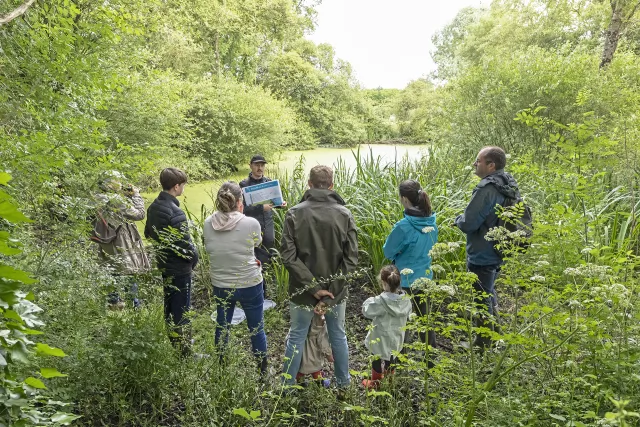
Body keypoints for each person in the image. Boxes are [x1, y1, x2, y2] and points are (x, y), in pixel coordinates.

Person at [281, 165, 358, 390]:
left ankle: (286, 388)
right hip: (336, 293)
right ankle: (343, 385)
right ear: (332, 185)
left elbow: (288, 256)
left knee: (297, 336)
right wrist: (329, 293)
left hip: (302, 292)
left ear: (309, 184)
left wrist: (314, 289)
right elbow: (351, 259)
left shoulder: (294, 213)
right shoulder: (344, 214)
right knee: (338, 336)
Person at [454, 146, 520, 349]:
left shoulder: (487, 189)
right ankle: (496, 335)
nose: (475, 164)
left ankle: (483, 344)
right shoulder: (507, 183)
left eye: (478, 161)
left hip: (483, 252)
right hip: (499, 249)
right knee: (489, 292)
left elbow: (469, 223)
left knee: (482, 297)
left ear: (491, 165)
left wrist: (458, 220)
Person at [204, 181, 268, 374]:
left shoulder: (208, 223)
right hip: (250, 283)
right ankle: (262, 371)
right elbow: (256, 243)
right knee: (256, 328)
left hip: (221, 284)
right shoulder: (251, 223)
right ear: (240, 201)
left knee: (222, 325)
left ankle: (221, 367)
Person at [144, 168, 199, 353]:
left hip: (164, 265)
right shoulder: (176, 213)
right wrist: (194, 259)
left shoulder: (153, 207)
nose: (183, 188)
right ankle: (185, 352)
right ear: (176, 187)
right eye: (183, 185)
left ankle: (175, 344)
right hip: (180, 270)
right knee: (182, 310)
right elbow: (186, 247)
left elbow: (148, 233)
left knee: (169, 306)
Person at [383, 180, 438, 350]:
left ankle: (400, 357)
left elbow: (388, 251)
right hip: (425, 277)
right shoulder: (432, 222)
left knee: (402, 321)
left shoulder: (403, 226)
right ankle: (430, 357)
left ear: (405, 199)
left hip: (405, 281)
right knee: (425, 319)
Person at [91, 170, 150, 309]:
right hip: (120, 240)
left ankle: (113, 303)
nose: (120, 184)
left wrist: (124, 197)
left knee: (111, 268)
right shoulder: (117, 201)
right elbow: (139, 214)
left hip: (106, 240)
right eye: (117, 181)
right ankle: (134, 304)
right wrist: (136, 195)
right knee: (128, 270)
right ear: (110, 184)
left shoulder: (97, 197)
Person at [239, 155, 287, 296]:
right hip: (252, 226)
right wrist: (261, 208)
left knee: (268, 255)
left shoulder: (269, 182)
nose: (260, 168)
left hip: (268, 224)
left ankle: (266, 287)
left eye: (262, 165)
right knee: (254, 256)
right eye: (257, 165)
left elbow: (273, 203)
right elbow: (242, 208)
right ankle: (255, 287)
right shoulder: (243, 185)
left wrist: (280, 204)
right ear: (250, 166)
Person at [361, 265, 413, 389]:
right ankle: (390, 383)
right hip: (396, 336)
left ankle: (376, 383)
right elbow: (410, 315)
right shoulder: (406, 300)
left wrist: (369, 300)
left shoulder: (380, 301)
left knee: (376, 357)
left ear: (383, 283)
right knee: (392, 357)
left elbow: (366, 311)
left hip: (380, 336)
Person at [286, 313, 334, 387]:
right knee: (316, 371)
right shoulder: (320, 324)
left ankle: (301, 384)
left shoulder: (298, 319)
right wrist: (329, 355)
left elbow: (290, 337)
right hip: (313, 354)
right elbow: (323, 342)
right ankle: (320, 383)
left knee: (300, 371)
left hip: (299, 352)